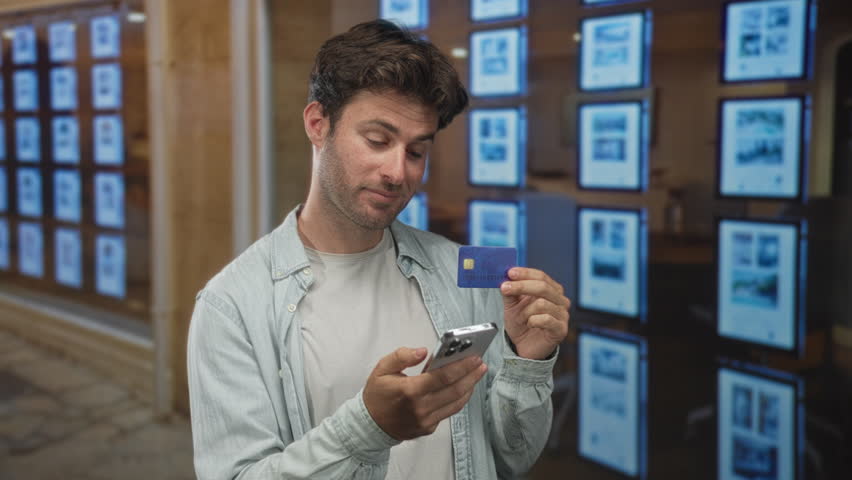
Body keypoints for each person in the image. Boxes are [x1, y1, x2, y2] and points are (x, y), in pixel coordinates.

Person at [187, 19, 571, 480]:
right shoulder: (232, 306)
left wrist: (527, 362)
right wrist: (369, 429)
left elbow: (511, 457)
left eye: (416, 152)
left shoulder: (457, 272)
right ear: (317, 124)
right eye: (377, 140)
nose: (397, 172)